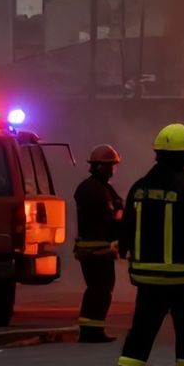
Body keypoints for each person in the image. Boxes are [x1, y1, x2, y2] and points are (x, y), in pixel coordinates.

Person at [115, 123, 184, 366]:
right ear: (183, 155)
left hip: (146, 280)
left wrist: (124, 249)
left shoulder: (139, 188)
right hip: (180, 280)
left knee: (140, 336)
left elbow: (126, 226)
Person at [73, 144, 124, 343]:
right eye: (112, 165)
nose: (114, 169)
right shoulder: (95, 190)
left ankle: (91, 329)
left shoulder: (96, 187)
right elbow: (109, 218)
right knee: (100, 290)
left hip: (96, 249)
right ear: (103, 166)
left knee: (98, 289)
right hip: (97, 250)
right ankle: (92, 332)